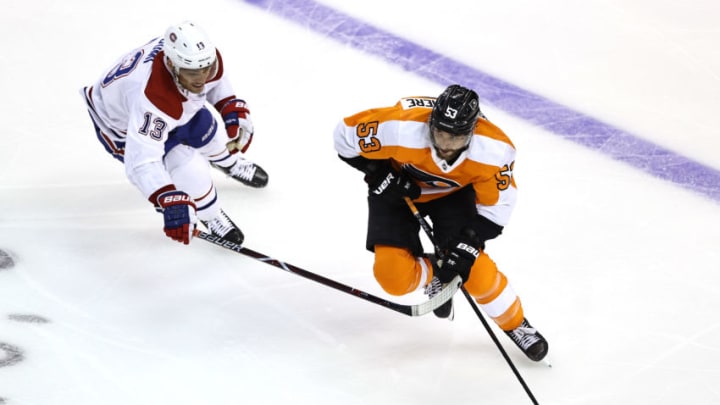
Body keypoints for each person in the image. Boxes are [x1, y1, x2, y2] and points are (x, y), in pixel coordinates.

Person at [333, 84, 548, 361]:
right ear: (431, 122)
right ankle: (436, 270)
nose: (445, 144)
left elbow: (496, 212)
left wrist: (468, 246)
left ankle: (517, 324)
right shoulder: (399, 127)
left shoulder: (493, 150)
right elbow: (343, 137)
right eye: (440, 133)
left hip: (453, 196)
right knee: (393, 278)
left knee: (476, 273)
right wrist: (379, 174)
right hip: (398, 190)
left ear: (472, 131)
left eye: (455, 137)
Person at [81, 21, 268, 246]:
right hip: (121, 126)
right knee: (191, 171)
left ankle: (229, 162)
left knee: (208, 129)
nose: (201, 78)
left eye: (205, 69)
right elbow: (141, 161)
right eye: (192, 73)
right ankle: (211, 215)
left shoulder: (200, 59)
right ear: (171, 63)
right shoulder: (154, 98)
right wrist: (167, 197)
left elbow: (214, 80)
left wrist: (228, 103)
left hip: (161, 103)